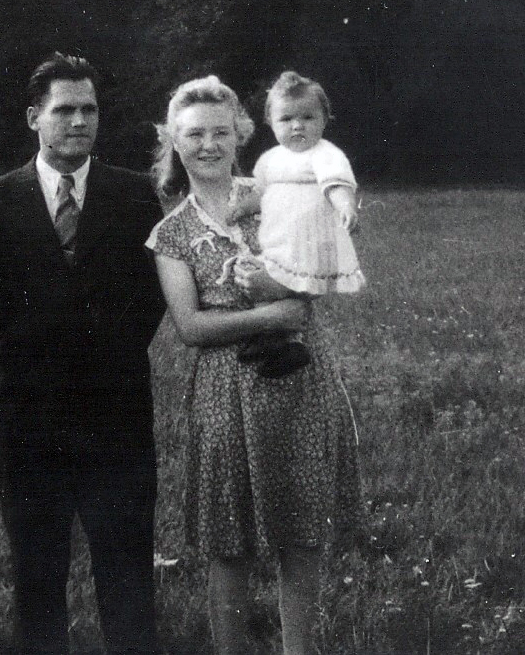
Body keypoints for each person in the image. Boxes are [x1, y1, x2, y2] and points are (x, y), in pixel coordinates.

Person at [146, 75, 363, 654]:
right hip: (225, 390)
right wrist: (274, 314)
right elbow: (190, 327)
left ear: (243, 131)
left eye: (221, 131)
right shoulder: (172, 233)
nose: (209, 145)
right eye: (195, 134)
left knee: (302, 530)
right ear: (174, 140)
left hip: (300, 379)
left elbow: (324, 266)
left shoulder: (282, 190)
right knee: (228, 537)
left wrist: (289, 298)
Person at [0, 52, 166, 654]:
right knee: (36, 567)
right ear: (35, 117)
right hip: (30, 412)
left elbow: (151, 298)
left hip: (117, 408)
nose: (79, 121)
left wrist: (105, 352)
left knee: (126, 563)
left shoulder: (137, 195)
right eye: (65, 110)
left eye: (89, 109)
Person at [236, 70, 366, 378]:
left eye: (307, 117)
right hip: (281, 239)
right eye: (286, 119)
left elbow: (337, 186)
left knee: (278, 285)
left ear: (324, 119)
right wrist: (240, 208)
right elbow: (261, 192)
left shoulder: (325, 154)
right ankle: (279, 341)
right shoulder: (270, 159)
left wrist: (346, 208)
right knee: (260, 279)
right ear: (270, 122)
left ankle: (283, 339)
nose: (297, 125)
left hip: (310, 242)